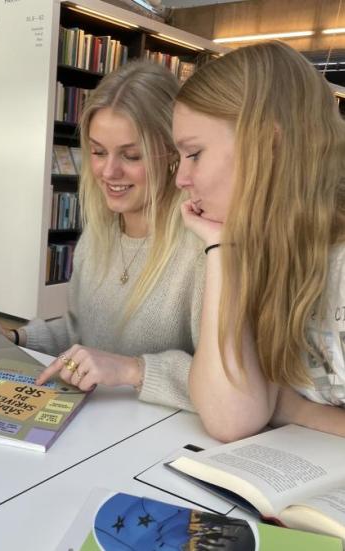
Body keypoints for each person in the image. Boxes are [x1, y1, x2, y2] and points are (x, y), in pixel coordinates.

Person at [0, 60, 205, 410]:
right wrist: (13, 337)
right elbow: (79, 334)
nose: (109, 171)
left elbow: (226, 386)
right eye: (98, 151)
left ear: (172, 153)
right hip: (92, 424)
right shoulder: (99, 231)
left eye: (131, 155)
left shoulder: (201, 247)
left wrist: (131, 369)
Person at [172, 41, 345, 440]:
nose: (180, 179)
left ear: (267, 145)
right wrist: (221, 248)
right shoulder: (264, 247)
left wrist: (292, 407)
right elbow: (230, 419)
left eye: (194, 154)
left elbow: (268, 407)